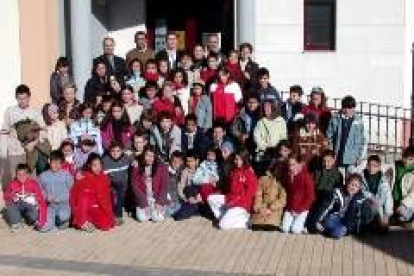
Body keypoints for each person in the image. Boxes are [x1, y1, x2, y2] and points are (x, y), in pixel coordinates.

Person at [1, 85, 45, 185]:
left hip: (31, 151)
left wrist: (34, 143)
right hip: (15, 150)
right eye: (19, 98)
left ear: (29, 97)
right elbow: (4, 131)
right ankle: (17, 199)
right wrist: (3, 151)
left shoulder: (35, 112)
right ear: (16, 98)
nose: (22, 101)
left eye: (25, 98)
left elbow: (43, 130)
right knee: (16, 177)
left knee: (31, 178)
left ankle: (30, 200)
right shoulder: (10, 111)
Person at [208, 150, 258, 230]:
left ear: (245, 160)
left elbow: (248, 196)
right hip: (230, 199)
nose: (237, 162)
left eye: (240, 159)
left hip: (242, 204)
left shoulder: (249, 173)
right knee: (211, 198)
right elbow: (229, 187)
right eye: (236, 159)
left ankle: (246, 222)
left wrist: (233, 202)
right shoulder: (234, 171)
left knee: (222, 225)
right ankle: (223, 217)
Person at [312, 174, 371, 239]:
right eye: (351, 184)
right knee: (327, 222)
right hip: (334, 217)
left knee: (338, 233)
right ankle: (325, 228)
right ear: (346, 183)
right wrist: (318, 220)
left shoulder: (360, 198)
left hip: (346, 221)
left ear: (359, 188)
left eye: (356, 186)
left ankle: (332, 230)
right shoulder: (337, 193)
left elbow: (360, 217)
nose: (353, 187)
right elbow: (326, 207)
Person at [70, 153, 115, 232]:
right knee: (84, 195)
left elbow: (106, 198)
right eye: (94, 165)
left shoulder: (104, 177)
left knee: (107, 225)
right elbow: (75, 196)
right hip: (85, 208)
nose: (98, 168)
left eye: (99, 165)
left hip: (98, 207)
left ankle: (90, 220)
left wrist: (109, 214)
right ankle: (83, 221)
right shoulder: (83, 177)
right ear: (89, 166)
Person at [3, 164, 47, 232]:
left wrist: (31, 196)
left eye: (24, 174)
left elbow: (40, 199)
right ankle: (17, 222)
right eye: (19, 174)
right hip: (17, 204)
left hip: (29, 206)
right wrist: (13, 196)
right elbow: (6, 195)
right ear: (16, 175)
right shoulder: (12, 183)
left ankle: (28, 219)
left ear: (28, 175)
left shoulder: (33, 183)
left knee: (33, 216)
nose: (21, 177)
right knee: (9, 204)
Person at [326, 95, 366, 170]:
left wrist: (360, 157)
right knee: (338, 179)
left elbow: (363, 141)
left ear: (353, 108)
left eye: (350, 108)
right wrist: (330, 154)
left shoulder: (359, 122)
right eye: (345, 108)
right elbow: (329, 137)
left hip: (352, 159)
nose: (347, 111)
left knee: (350, 179)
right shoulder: (335, 119)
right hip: (337, 157)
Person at [38, 150, 74, 232]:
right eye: (53, 162)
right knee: (43, 229)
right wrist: (46, 197)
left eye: (59, 163)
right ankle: (52, 221)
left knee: (63, 216)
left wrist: (60, 198)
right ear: (49, 162)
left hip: (64, 204)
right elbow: (39, 190)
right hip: (49, 206)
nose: (56, 165)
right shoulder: (43, 175)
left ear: (62, 164)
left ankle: (62, 221)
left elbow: (72, 191)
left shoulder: (67, 175)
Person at [131, 147, 169, 222]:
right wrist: (145, 204)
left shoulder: (161, 167)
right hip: (144, 198)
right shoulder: (137, 167)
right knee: (142, 218)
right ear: (143, 155)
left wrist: (159, 203)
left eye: (152, 156)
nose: (149, 158)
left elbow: (164, 186)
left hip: (156, 197)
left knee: (158, 218)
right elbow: (135, 187)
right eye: (147, 155)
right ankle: (150, 210)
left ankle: (155, 210)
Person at [357, 155, 393, 231]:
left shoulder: (384, 179)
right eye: (369, 165)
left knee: (383, 229)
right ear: (366, 165)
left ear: (379, 167)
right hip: (366, 203)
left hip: (379, 205)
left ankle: (378, 221)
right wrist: (370, 196)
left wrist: (387, 215)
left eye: (375, 166)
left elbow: (388, 197)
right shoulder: (361, 176)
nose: (371, 168)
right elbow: (360, 190)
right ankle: (368, 222)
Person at [281, 154, 315, 234]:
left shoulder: (306, 176)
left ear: (300, 164)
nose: (291, 167)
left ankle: (303, 225)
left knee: (295, 230)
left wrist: (299, 210)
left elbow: (311, 197)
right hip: (291, 208)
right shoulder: (288, 176)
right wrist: (290, 208)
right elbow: (288, 194)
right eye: (289, 165)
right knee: (284, 228)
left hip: (302, 208)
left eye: (293, 165)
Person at [103, 141, 131, 226]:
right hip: (112, 186)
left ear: (122, 151)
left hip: (125, 185)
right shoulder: (105, 160)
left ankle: (130, 207)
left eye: (118, 151)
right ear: (109, 151)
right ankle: (118, 216)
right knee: (118, 188)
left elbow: (133, 160)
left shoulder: (126, 158)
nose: (115, 153)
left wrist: (135, 162)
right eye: (113, 151)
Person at [254, 100, 287, 165]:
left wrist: (279, 148)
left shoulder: (281, 121)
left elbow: (283, 137)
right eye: (265, 107)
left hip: (277, 152)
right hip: (264, 152)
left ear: (273, 108)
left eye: (268, 107)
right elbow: (256, 137)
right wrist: (265, 146)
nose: (266, 109)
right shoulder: (260, 122)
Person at [174, 150, 201, 221]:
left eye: (191, 161)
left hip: (200, 198)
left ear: (197, 161)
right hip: (190, 198)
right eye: (187, 161)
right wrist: (184, 198)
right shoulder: (185, 172)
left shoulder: (201, 170)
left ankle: (196, 209)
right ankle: (194, 209)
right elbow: (181, 186)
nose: (189, 163)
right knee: (179, 216)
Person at [391, 147, 414, 225]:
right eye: (405, 158)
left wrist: (404, 204)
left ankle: (406, 217)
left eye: (410, 159)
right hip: (393, 199)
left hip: (405, 201)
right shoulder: (394, 166)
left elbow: (413, 193)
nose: (407, 161)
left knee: (403, 216)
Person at [166, 151, 185, 217]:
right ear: (171, 160)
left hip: (177, 200)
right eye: (174, 161)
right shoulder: (165, 170)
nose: (175, 164)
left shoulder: (182, 171)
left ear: (181, 162)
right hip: (167, 199)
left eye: (178, 162)